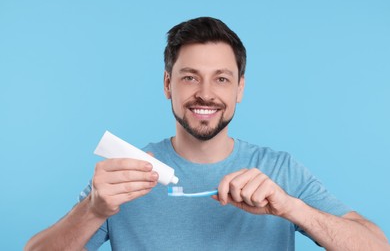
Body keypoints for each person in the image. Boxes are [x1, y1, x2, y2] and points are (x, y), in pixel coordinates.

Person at [25, 16, 389, 251]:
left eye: (221, 79)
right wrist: (93, 210)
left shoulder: (279, 170)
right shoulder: (126, 175)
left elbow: (376, 246)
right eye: (189, 77)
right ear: (168, 84)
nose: (205, 93)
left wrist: (292, 209)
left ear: (240, 89)